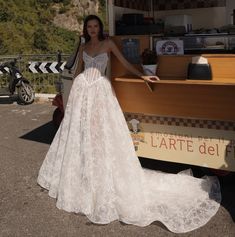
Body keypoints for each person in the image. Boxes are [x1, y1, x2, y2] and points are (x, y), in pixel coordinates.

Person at [37, 15, 221, 233]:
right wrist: (70, 99)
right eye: (89, 26)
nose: (93, 29)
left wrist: (143, 76)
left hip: (100, 92)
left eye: (96, 26)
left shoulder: (108, 44)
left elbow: (125, 63)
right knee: (83, 134)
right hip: (81, 91)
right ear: (86, 29)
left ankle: (101, 176)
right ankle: (86, 174)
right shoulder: (84, 46)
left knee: (100, 134)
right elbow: (77, 71)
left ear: (100, 28)